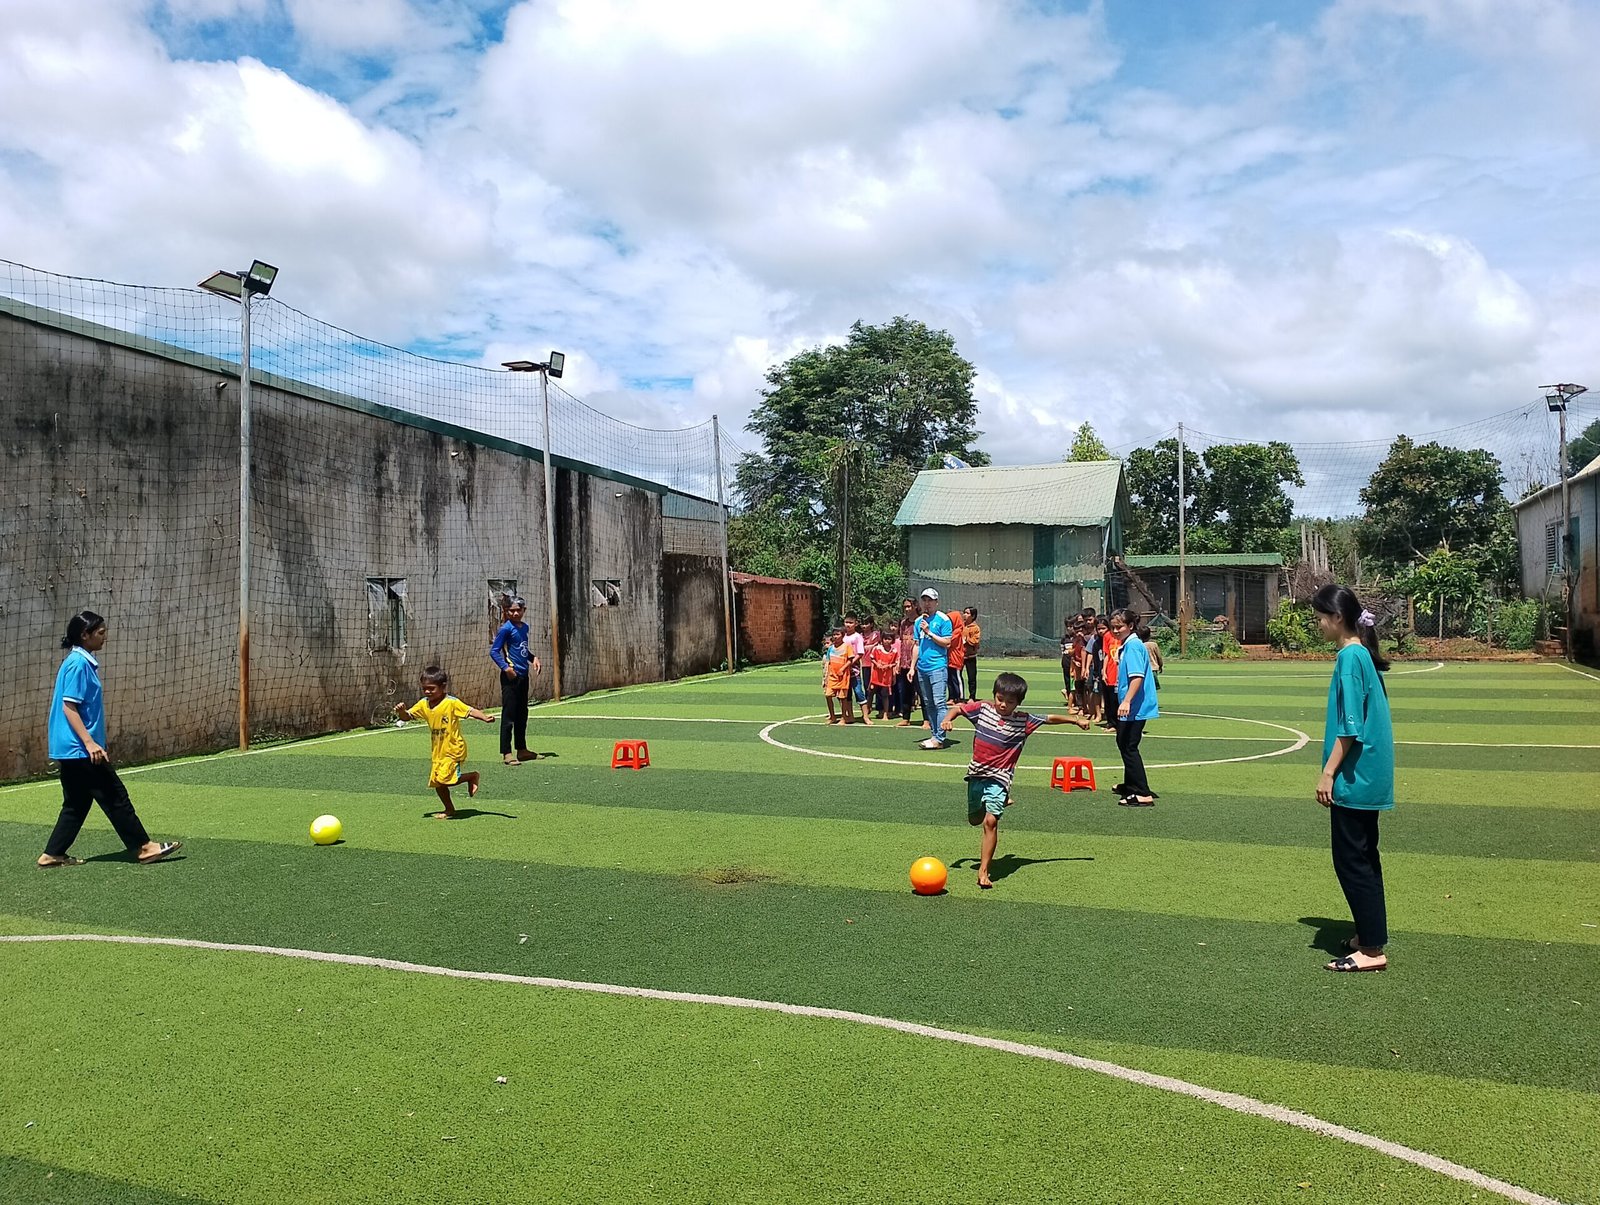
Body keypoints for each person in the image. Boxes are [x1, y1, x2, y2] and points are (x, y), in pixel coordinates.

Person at [36, 610, 182, 868]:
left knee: (77, 803)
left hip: (71, 749)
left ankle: (52, 854)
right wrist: (90, 743)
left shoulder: (79, 661)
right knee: (115, 796)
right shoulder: (78, 664)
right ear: (85, 635)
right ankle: (144, 847)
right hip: (79, 749)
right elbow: (69, 707)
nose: (105, 637)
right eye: (101, 633)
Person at [1311, 584, 1395, 973]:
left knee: (1352, 862)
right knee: (1364, 858)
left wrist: (1328, 773)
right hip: (1369, 775)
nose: (1317, 624)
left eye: (1320, 618)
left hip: (1355, 777)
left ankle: (1372, 951)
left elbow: (1350, 727)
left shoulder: (1349, 657)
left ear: (1337, 617)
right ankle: (1369, 935)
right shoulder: (1361, 654)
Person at [941, 671, 1090, 889]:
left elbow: (1049, 718)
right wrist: (947, 719)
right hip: (976, 774)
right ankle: (999, 800)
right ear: (994, 695)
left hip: (1000, 777)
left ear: (1018, 703)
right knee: (975, 819)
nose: (1003, 705)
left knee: (990, 822)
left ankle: (984, 871)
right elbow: (958, 708)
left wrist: (1075, 720)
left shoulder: (1023, 721)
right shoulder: (983, 709)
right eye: (1000, 699)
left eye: (1010, 702)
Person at [394, 665, 494, 818]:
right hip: (438, 750)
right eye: (424, 688)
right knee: (437, 782)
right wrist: (402, 711)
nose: (427, 692)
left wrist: (484, 718)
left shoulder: (451, 703)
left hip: (454, 748)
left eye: (431, 689)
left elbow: (469, 710)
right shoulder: (423, 704)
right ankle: (449, 809)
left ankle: (471, 776)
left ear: (443, 687)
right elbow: (407, 716)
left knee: (445, 779)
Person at [1109, 608, 1160, 807]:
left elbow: (1137, 676)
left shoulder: (1133, 646)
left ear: (1130, 626)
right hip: (1132, 705)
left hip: (1135, 706)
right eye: (1113, 627)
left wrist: (1127, 701)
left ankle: (1142, 792)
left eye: (1119, 627)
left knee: (1128, 745)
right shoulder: (1128, 645)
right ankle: (1131, 784)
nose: (1115, 631)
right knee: (1124, 743)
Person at [489, 595, 543, 765]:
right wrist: (506, 668)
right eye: (511, 611)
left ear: (523, 610)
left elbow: (522, 650)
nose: (515, 613)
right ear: (506, 612)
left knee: (522, 713)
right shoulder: (506, 629)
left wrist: (533, 658)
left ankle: (522, 749)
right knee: (509, 715)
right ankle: (506, 752)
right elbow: (494, 651)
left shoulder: (524, 628)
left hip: (523, 676)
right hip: (510, 677)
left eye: (518, 610)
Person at [912, 589, 955, 750]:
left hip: (937, 666)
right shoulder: (918, 621)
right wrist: (912, 667)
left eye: (930, 600)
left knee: (939, 702)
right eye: (924, 600)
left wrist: (929, 632)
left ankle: (940, 737)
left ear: (936, 602)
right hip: (922, 668)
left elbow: (947, 642)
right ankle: (934, 734)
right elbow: (917, 645)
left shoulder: (943, 619)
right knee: (928, 703)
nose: (927, 603)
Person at [821, 627, 855, 725]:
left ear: (842, 635)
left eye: (837, 634)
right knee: (828, 695)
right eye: (834, 635)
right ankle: (832, 716)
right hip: (832, 676)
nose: (835, 637)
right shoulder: (831, 648)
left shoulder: (847, 646)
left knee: (842, 698)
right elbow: (828, 662)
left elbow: (850, 660)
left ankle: (844, 718)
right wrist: (826, 676)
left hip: (843, 677)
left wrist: (842, 669)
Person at [893, 599, 919, 727]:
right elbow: (901, 643)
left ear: (915, 606)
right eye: (905, 607)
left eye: (909, 606)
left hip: (918, 663)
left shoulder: (921, 621)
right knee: (905, 692)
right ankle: (906, 718)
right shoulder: (903, 623)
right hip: (904, 662)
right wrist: (899, 661)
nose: (907, 609)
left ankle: (927, 720)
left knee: (921, 691)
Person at [870, 629, 899, 720]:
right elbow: (872, 658)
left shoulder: (894, 651)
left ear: (892, 640)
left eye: (889, 639)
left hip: (886, 678)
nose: (887, 641)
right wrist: (877, 664)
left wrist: (889, 666)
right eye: (885, 639)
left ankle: (885, 714)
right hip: (876, 676)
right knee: (871, 693)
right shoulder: (877, 648)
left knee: (885, 696)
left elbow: (895, 662)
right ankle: (867, 712)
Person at [945, 608, 967, 703]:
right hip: (950, 658)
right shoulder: (952, 630)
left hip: (956, 658)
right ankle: (952, 697)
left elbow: (949, 642)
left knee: (957, 678)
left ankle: (960, 697)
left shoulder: (958, 631)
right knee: (950, 678)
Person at [962, 607, 982, 700]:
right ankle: (958, 696)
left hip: (971, 656)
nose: (964, 615)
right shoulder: (961, 625)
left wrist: (967, 640)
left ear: (973, 616)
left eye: (967, 613)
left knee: (971, 678)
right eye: (964, 613)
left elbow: (975, 641)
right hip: (960, 656)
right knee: (956, 677)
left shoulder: (975, 628)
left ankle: (972, 697)